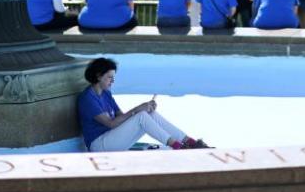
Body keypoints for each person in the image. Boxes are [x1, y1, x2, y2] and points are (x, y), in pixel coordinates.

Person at [78, 57, 208, 152]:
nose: (113, 81)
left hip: (112, 137)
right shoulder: (88, 99)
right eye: (109, 77)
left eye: (113, 77)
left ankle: (190, 142)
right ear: (99, 76)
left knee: (148, 113)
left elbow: (121, 118)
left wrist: (146, 108)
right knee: (141, 116)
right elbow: (111, 123)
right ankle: (177, 147)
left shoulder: (106, 93)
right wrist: (138, 109)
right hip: (99, 145)